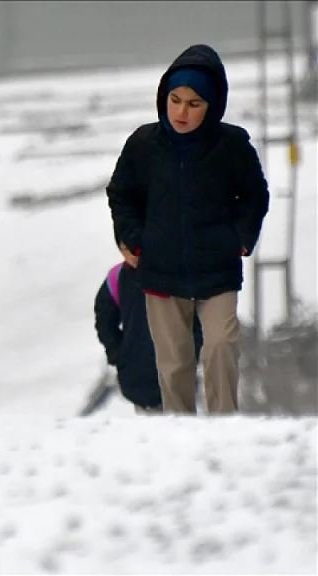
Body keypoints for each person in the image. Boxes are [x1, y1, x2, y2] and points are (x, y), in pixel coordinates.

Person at [105, 44, 270, 414]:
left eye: (195, 104)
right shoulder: (143, 145)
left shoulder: (233, 145)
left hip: (218, 269)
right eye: (175, 100)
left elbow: (255, 195)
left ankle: (225, 426)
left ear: (213, 106)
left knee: (221, 346)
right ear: (164, 97)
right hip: (160, 270)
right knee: (174, 363)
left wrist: (241, 239)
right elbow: (121, 194)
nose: (182, 111)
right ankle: (181, 437)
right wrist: (131, 238)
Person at [94, 261, 204, 414]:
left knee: (178, 432)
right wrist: (119, 354)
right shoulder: (119, 275)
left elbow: (201, 320)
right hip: (140, 381)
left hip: (176, 381)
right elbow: (104, 318)